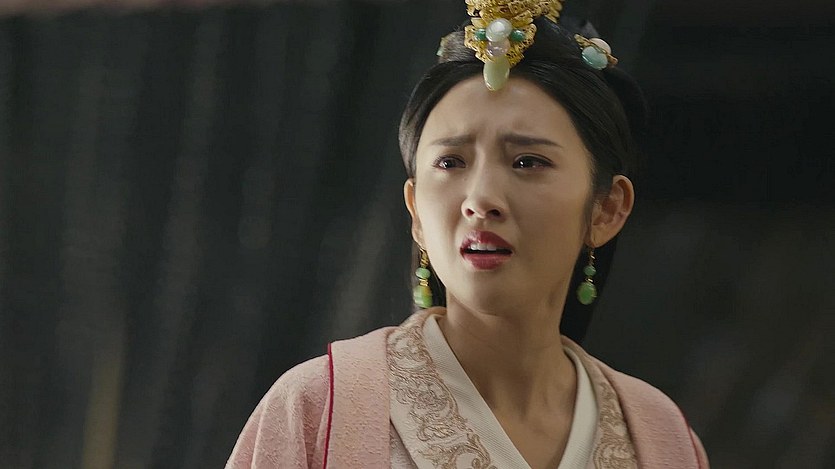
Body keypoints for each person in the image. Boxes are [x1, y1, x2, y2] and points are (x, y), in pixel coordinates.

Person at [227, 1, 709, 467]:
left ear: (606, 209)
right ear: (416, 211)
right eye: (450, 162)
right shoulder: (316, 408)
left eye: (528, 162)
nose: (481, 199)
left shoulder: (658, 434)